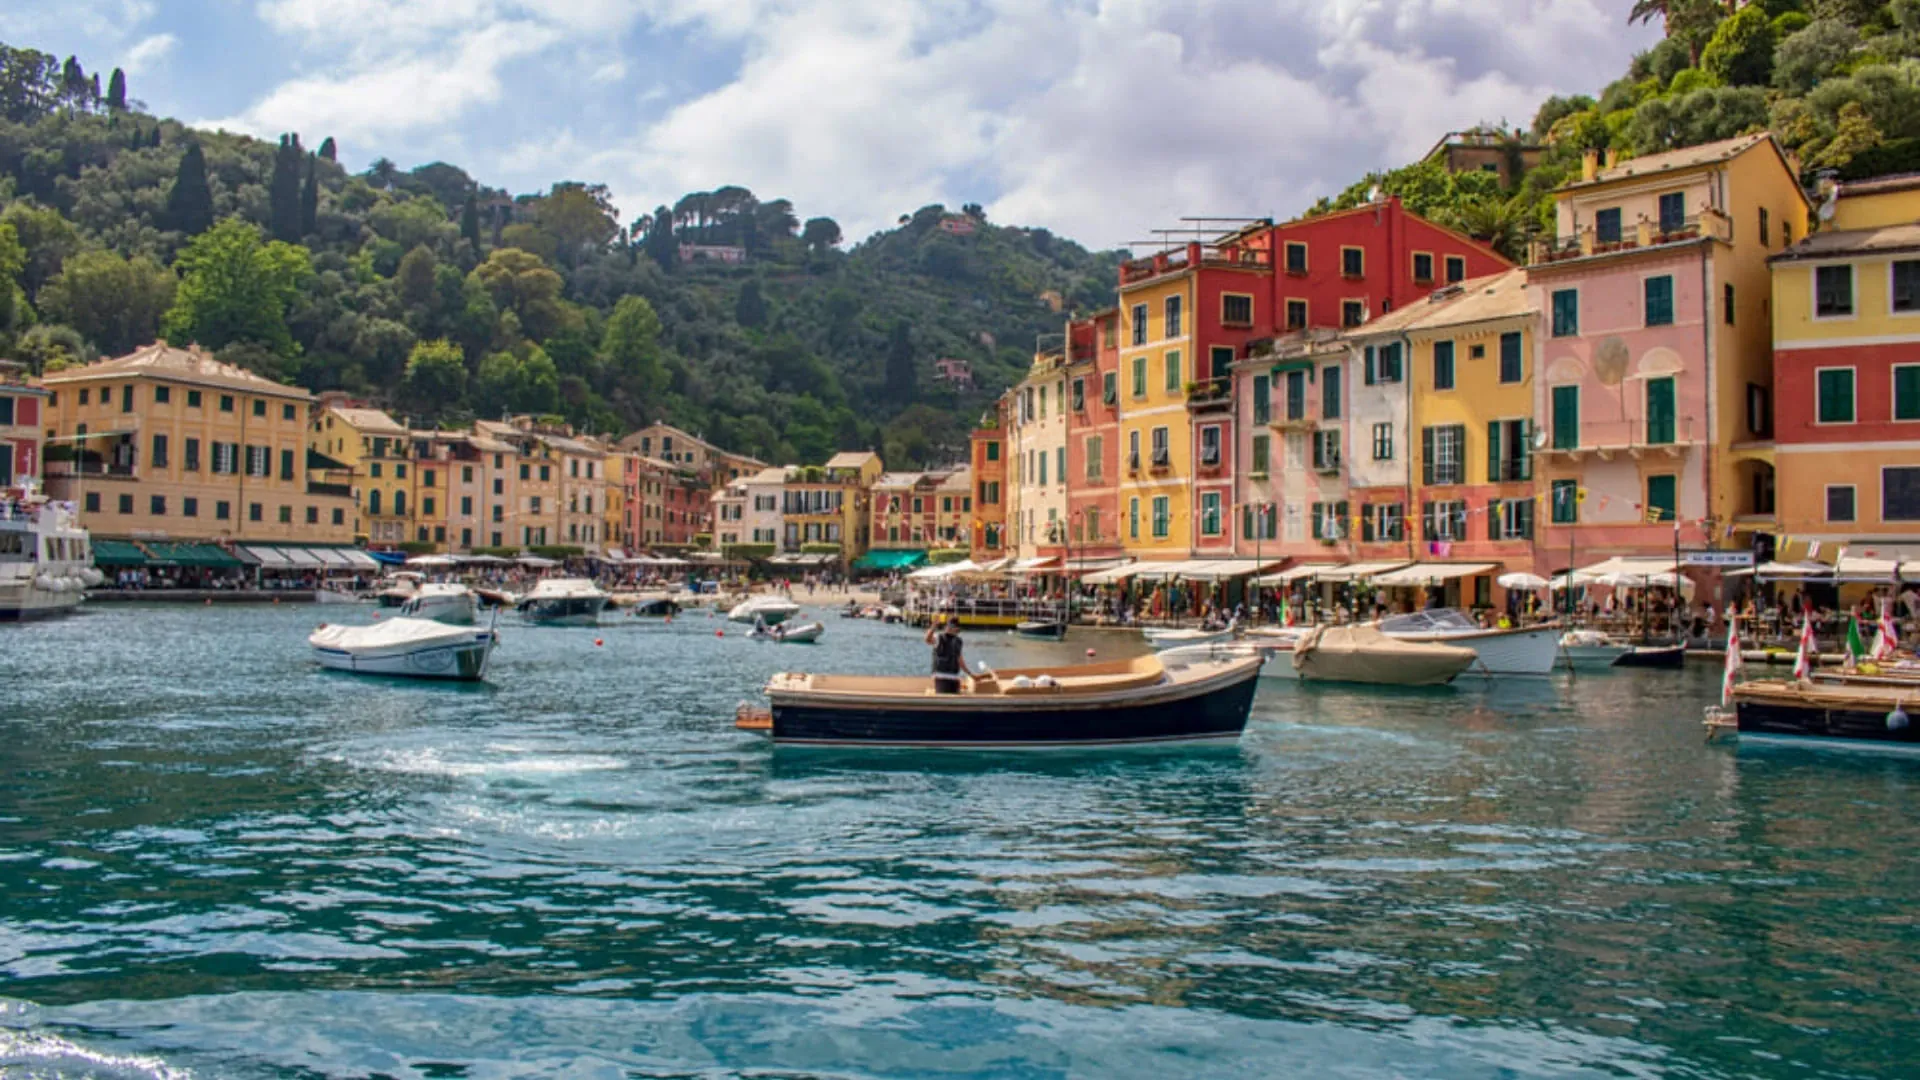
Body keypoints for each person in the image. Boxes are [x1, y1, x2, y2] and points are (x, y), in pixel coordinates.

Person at [926, 615, 967, 694]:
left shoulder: (958, 641)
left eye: (953, 627)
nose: (951, 629)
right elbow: (928, 640)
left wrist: (970, 674)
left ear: (957, 629)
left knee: (956, 697)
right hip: (941, 675)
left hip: (954, 676)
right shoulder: (939, 637)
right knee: (945, 695)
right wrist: (933, 628)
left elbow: (960, 660)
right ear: (946, 627)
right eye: (949, 626)